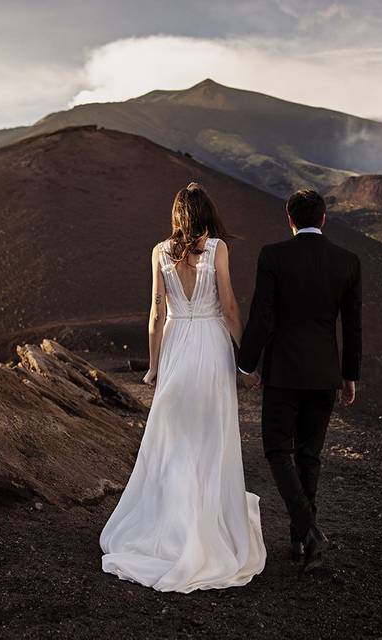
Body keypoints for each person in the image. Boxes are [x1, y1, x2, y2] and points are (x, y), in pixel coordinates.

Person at [99, 182, 266, 592]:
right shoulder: (217, 249)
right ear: (206, 212)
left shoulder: (159, 252)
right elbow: (228, 306)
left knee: (175, 441)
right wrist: (248, 360)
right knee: (211, 437)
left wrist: (154, 366)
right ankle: (206, 529)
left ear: (177, 216)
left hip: (176, 346)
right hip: (210, 346)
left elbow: (157, 311)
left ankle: (170, 530)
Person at [238, 188, 362, 573]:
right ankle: (300, 540)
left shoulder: (273, 256)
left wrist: (247, 364)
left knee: (278, 451)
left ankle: (309, 531)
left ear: (289, 220)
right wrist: (349, 375)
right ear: (323, 219)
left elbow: (261, 314)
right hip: (325, 374)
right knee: (309, 455)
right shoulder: (348, 261)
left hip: (283, 372)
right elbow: (353, 325)